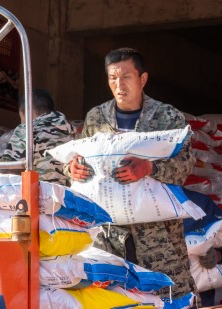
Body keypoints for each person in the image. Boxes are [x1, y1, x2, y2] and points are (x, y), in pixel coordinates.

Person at [65, 47, 198, 299]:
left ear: (142, 79)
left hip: (157, 236)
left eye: (126, 77)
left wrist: (150, 168)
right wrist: (72, 167)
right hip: (109, 235)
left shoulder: (167, 117)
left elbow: (186, 163)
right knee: (114, 298)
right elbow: (77, 155)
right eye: (113, 78)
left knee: (169, 295)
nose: (119, 85)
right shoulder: (96, 118)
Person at [0, 88, 76, 186]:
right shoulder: (71, 130)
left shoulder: (26, 129)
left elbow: (8, 168)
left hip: (40, 192)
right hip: (67, 193)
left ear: (26, 112)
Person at [182, 188, 222, 306]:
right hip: (151, 296)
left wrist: (218, 254)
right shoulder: (141, 207)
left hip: (196, 297)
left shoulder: (199, 202)